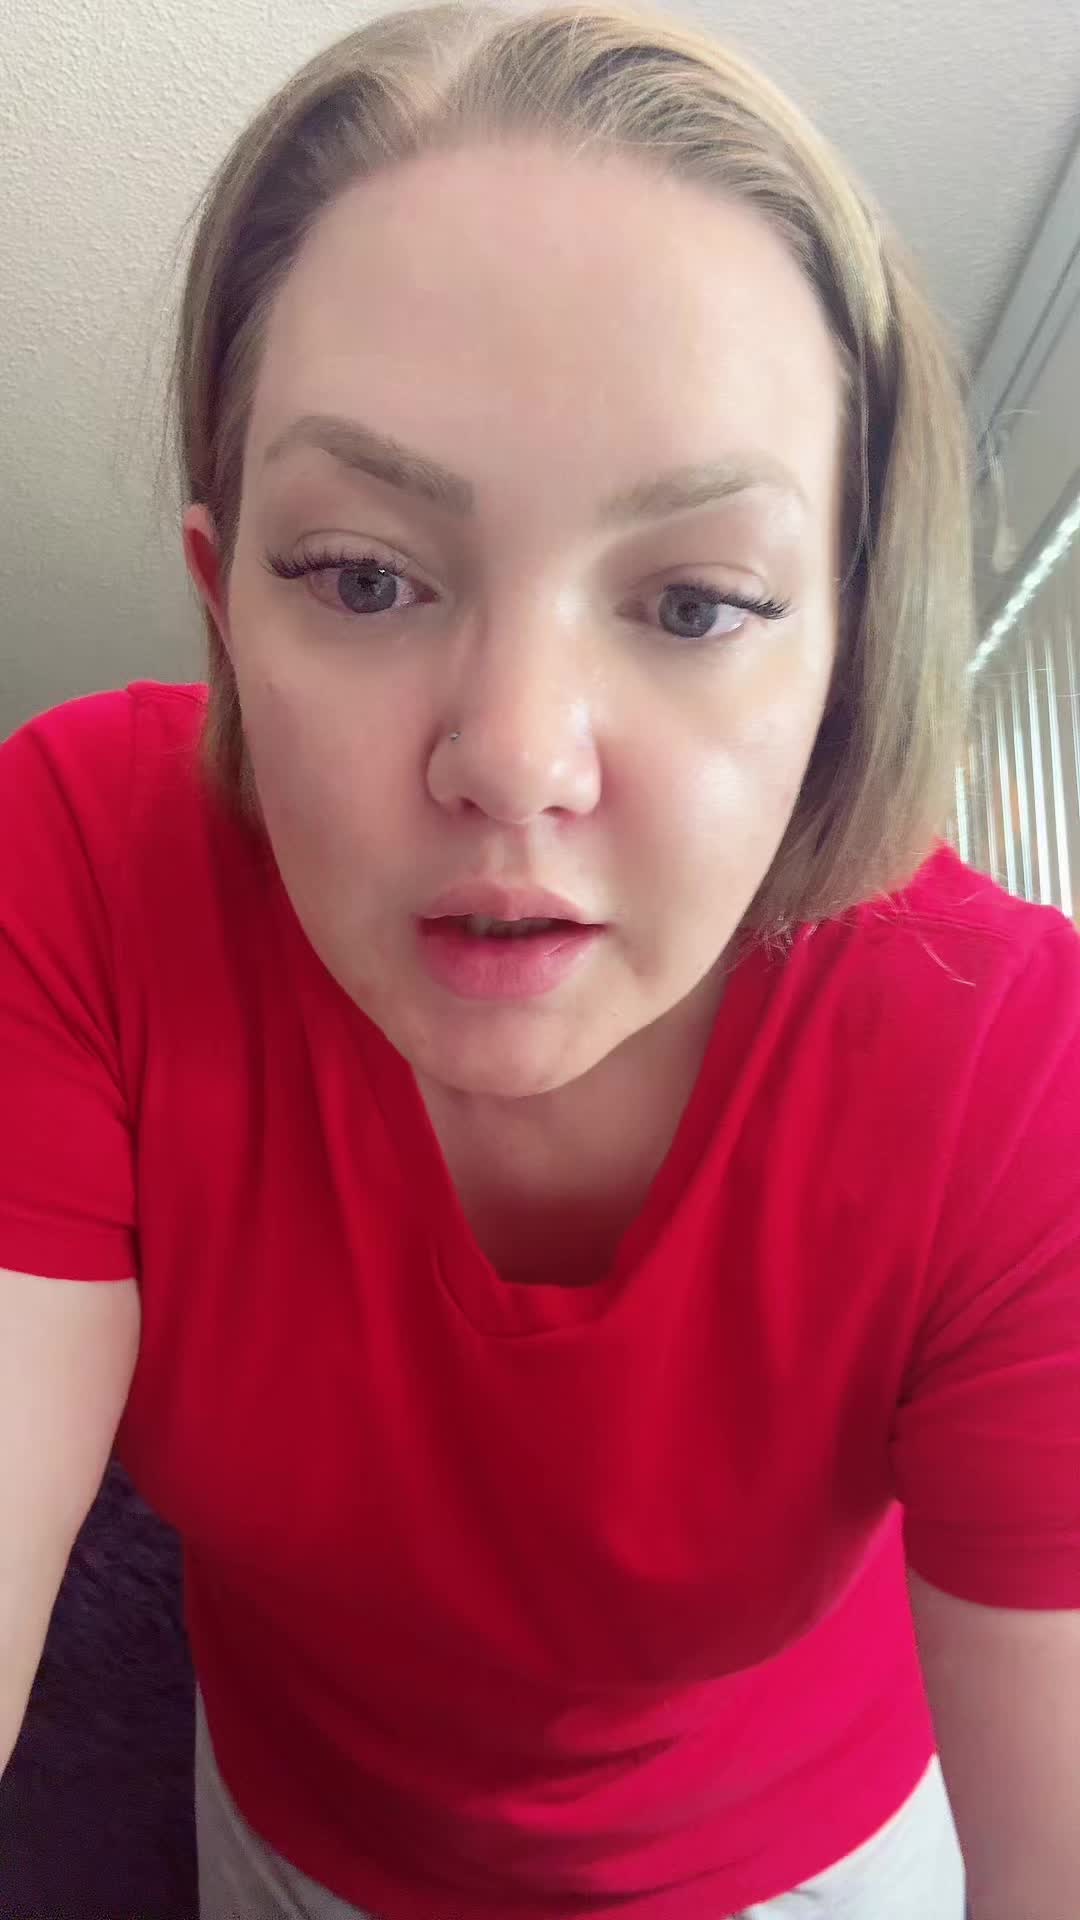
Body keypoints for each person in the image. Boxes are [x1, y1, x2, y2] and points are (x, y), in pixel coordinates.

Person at [1, 1, 1078, 1914]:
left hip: (810, 1861)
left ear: (842, 657)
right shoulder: (81, 873)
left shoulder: (1015, 1071)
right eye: (363, 576)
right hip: (292, 1835)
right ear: (223, 606)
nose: (512, 759)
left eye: (698, 603)